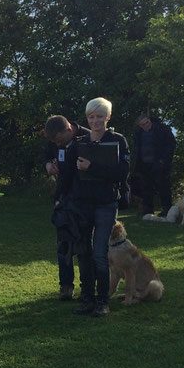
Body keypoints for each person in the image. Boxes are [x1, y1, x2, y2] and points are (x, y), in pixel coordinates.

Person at [55, 97, 130, 318]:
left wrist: (92, 167)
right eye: (91, 117)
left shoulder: (118, 141)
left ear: (108, 117)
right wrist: (59, 199)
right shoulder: (79, 143)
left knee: (99, 253)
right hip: (81, 205)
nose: (95, 120)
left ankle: (102, 302)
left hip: (106, 204)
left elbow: (121, 174)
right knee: (83, 253)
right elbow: (67, 176)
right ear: (87, 118)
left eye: (99, 116)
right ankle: (87, 298)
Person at [43, 114, 88, 300]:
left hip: (84, 200)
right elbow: (46, 153)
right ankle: (66, 286)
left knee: (85, 247)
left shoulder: (87, 139)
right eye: (55, 142)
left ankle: (87, 289)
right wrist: (47, 164)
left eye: (60, 141)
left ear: (69, 130)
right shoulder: (54, 140)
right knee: (63, 244)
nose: (58, 145)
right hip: (63, 199)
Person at [131, 113, 176, 216]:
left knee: (163, 186)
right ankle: (147, 209)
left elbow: (171, 145)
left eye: (147, 122)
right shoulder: (138, 133)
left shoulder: (162, 129)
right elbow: (137, 148)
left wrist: (164, 160)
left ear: (149, 120)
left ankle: (167, 209)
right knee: (146, 187)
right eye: (143, 124)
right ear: (140, 126)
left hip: (159, 163)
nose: (146, 125)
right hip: (144, 164)